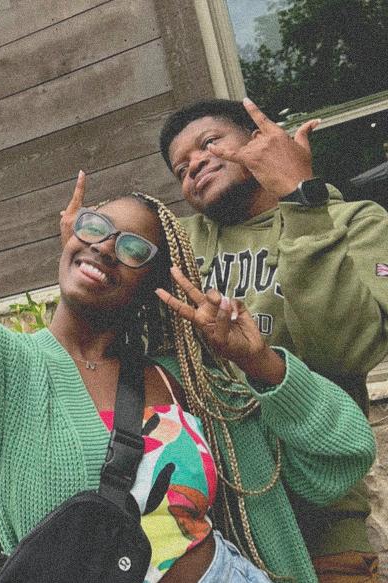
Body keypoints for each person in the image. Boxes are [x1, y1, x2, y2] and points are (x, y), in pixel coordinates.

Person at [0, 9, 376, 582]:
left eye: (133, 248)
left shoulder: (188, 382)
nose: (105, 246)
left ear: (153, 287)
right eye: (94, 227)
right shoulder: (0, 374)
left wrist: (261, 364)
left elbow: (342, 457)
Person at [155, 98, 388, 582]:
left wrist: (300, 200)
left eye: (209, 142)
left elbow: (344, 351)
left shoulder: (357, 222)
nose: (194, 164)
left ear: (261, 140)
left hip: (321, 515)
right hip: (213, 521)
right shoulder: (179, 244)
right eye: (180, 168)